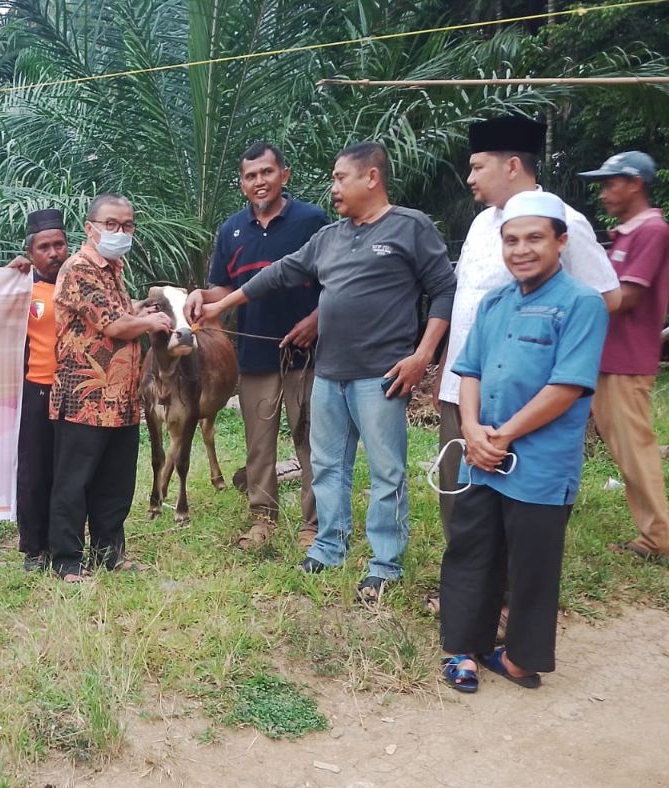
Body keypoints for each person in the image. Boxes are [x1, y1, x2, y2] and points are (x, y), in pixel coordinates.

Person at [188, 142, 456, 602]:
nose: (333, 188)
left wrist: (423, 356)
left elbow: (445, 291)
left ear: (371, 177)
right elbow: (278, 273)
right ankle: (329, 546)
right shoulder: (330, 237)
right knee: (328, 465)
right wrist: (222, 305)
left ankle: (385, 562)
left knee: (387, 471)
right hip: (329, 372)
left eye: (340, 178)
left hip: (382, 374)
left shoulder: (410, 227)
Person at [439, 191, 608, 692]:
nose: (521, 250)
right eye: (511, 240)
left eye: (534, 238)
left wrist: (503, 435)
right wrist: (471, 430)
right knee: (471, 551)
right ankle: (464, 652)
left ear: (561, 242)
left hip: (540, 463)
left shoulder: (582, 304)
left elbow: (569, 385)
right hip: (482, 456)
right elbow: (467, 370)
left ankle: (520, 658)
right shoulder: (494, 303)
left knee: (532, 563)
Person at [434, 117, 619, 539]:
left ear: (512, 166)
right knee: (459, 486)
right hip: (465, 384)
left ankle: (509, 594)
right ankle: (470, 591)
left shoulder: (562, 223)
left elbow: (604, 297)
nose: (469, 178)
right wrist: (447, 367)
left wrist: (546, 360)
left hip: (525, 392)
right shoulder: (484, 224)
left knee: (517, 500)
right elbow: (467, 301)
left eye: (478, 167)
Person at [186, 142, 329, 550]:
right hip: (255, 357)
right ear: (242, 183)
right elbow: (223, 289)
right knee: (259, 443)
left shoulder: (311, 220)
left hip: (308, 355)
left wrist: (316, 321)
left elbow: (335, 281)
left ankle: (313, 525)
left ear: (283, 174)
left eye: (266, 172)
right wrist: (201, 296)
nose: (259, 182)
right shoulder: (231, 229)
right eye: (250, 176)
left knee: (311, 440)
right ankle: (262, 520)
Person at [48, 193, 172, 582]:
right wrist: (151, 324)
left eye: (128, 225)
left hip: (121, 399)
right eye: (112, 225)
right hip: (85, 396)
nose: (121, 232)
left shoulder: (113, 268)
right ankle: (67, 561)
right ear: (90, 228)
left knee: (116, 482)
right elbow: (112, 325)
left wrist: (139, 309)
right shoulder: (79, 268)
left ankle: (109, 552)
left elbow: (118, 312)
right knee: (74, 483)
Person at [578, 150, 669, 561]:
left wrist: (571, 304)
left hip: (627, 360)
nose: (604, 193)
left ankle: (658, 539)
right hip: (606, 357)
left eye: (610, 183)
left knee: (636, 450)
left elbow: (628, 296)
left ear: (635, 183)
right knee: (624, 450)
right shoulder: (626, 234)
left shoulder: (653, 231)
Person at [18, 208, 71, 571]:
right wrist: (3, 277)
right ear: (31, 252)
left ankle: (66, 542)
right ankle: (35, 548)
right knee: (35, 471)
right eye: (45, 247)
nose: (54, 253)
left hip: (78, 392)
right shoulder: (21, 288)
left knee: (71, 472)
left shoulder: (83, 283)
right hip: (37, 389)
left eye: (60, 245)